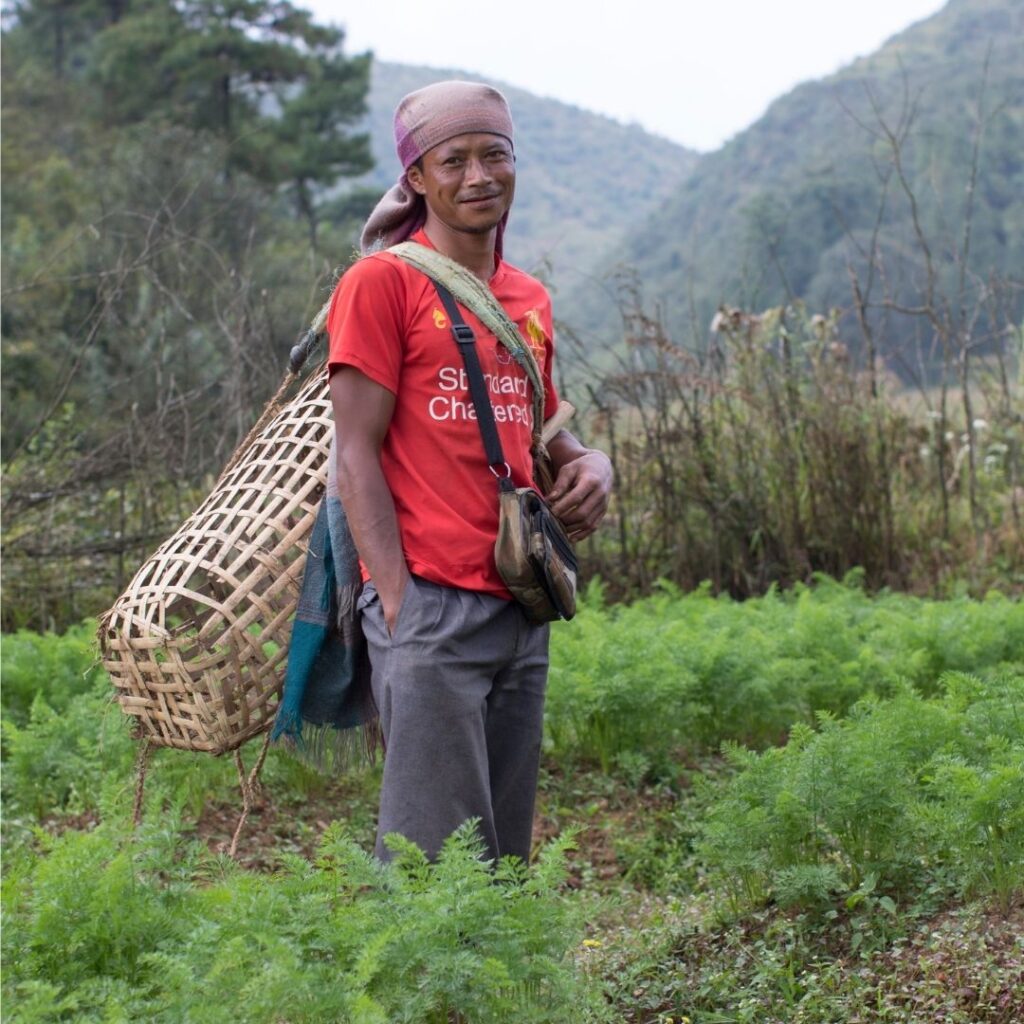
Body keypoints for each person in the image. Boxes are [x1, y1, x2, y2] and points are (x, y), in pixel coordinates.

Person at [326, 80, 613, 864]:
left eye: (496, 155)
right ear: (417, 178)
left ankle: (502, 989)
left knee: (504, 853)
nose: (479, 175)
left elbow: (546, 433)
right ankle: (420, 989)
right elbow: (354, 454)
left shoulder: (527, 299)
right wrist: (398, 606)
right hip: (429, 606)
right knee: (429, 862)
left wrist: (596, 465)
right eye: (454, 160)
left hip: (522, 607)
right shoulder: (383, 284)